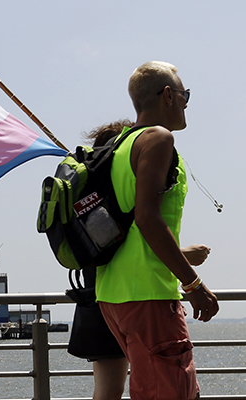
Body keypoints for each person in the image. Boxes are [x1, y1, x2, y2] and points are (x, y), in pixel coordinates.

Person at [95, 61, 219, 400]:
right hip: (149, 294)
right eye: (184, 94)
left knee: (151, 389)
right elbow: (147, 219)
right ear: (168, 95)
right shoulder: (158, 139)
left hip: (112, 294)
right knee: (171, 392)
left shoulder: (120, 144)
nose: (186, 101)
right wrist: (193, 283)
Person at [71, 119, 214, 400]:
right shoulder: (125, 200)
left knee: (110, 391)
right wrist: (192, 282)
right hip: (140, 298)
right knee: (162, 387)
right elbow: (140, 242)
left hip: (104, 301)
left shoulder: (93, 206)